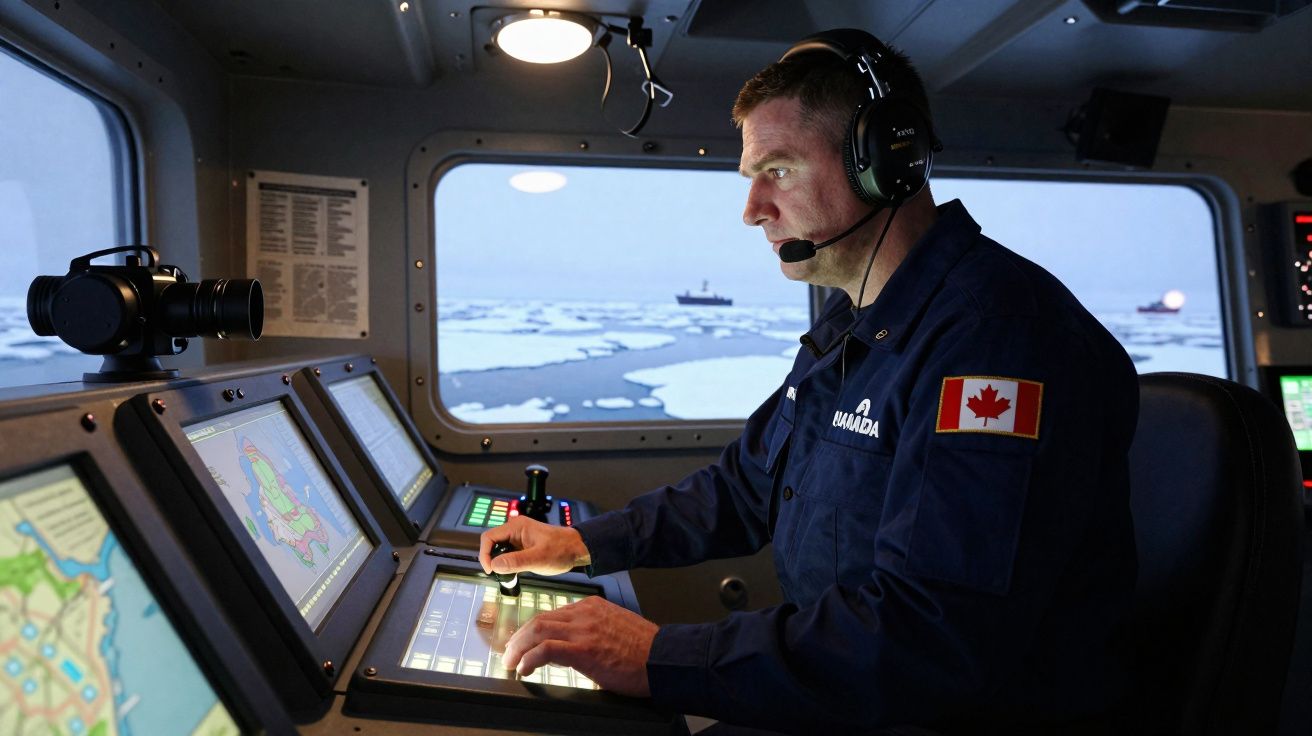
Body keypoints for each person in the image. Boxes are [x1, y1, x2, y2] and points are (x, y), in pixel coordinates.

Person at [480, 28, 1139, 734]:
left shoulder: (997, 339)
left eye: (781, 170)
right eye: (751, 177)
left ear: (885, 162)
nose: (752, 208)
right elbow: (743, 489)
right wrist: (587, 543)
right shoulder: (853, 329)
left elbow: (931, 634)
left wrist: (658, 655)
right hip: (848, 700)